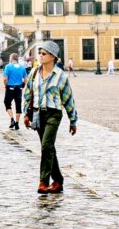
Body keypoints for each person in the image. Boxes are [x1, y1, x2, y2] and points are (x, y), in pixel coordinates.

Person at [21, 42, 77, 194]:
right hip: (39, 114)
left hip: (54, 113)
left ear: (53, 57)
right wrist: (26, 113)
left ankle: (43, 182)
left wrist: (73, 121)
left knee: (46, 146)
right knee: (48, 148)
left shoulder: (61, 76)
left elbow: (68, 99)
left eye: (43, 53)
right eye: (39, 53)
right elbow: (27, 94)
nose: (40, 56)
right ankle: (58, 180)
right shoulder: (34, 73)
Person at [2, 54, 28, 129]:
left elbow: (5, 78)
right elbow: (26, 79)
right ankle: (17, 123)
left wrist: (5, 85)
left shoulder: (8, 66)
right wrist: (23, 85)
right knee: (18, 105)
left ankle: (12, 119)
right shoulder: (22, 67)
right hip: (19, 88)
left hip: (10, 87)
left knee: (7, 103)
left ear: (11, 58)